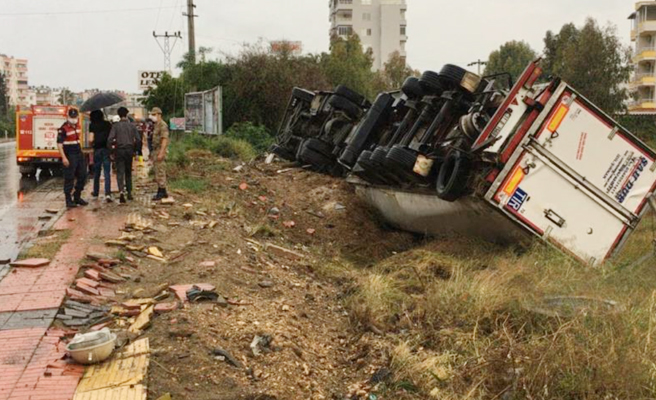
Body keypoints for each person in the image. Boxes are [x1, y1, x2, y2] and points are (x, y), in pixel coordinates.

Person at [108, 107, 141, 203]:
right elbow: (138, 140)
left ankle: (121, 191)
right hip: (129, 151)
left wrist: (111, 151)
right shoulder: (132, 126)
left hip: (119, 151)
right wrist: (136, 151)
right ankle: (129, 193)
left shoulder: (115, 126)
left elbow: (110, 140)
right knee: (128, 172)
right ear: (126, 115)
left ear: (119, 115)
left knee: (120, 172)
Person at [57, 108, 88, 208]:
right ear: (68, 117)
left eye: (75, 117)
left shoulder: (77, 126)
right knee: (69, 178)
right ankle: (68, 200)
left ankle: (77, 196)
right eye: (72, 117)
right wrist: (64, 158)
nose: (74, 119)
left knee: (83, 175)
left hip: (78, 154)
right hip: (70, 155)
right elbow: (59, 144)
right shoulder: (63, 128)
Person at [89, 110, 113, 202]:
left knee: (97, 172)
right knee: (107, 172)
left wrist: (92, 147)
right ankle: (108, 193)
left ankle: (96, 192)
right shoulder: (107, 124)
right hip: (106, 150)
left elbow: (91, 139)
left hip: (97, 150)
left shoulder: (92, 125)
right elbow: (111, 137)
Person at [150, 107, 170, 200]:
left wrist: (161, 152)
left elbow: (164, 139)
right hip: (155, 150)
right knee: (157, 171)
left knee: (160, 171)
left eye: (154, 115)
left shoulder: (162, 125)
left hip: (159, 150)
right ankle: (161, 190)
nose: (153, 117)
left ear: (159, 115)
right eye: (152, 115)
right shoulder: (156, 125)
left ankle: (162, 191)